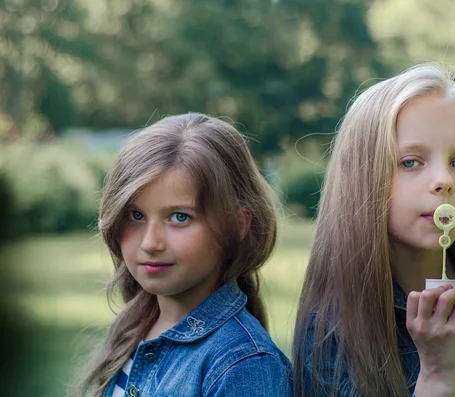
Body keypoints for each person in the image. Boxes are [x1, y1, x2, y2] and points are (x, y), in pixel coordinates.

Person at [292, 63, 455, 397]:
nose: (444, 181)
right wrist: (436, 377)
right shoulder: (333, 329)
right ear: (362, 179)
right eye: (411, 162)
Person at [73, 113, 292, 397]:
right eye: (136, 215)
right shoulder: (136, 327)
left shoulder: (244, 365)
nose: (151, 243)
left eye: (179, 217)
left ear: (238, 224)